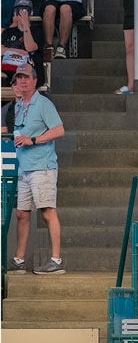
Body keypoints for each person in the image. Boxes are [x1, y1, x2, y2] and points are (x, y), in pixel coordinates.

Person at [8, 62, 65, 274]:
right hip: (25, 168)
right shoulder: (20, 105)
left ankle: (57, 260)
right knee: (22, 214)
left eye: (26, 77)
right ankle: (19, 260)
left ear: (34, 81)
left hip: (42, 167)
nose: (22, 81)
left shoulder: (43, 104)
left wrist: (33, 139)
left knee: (48, 211)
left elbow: (59, 130)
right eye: (18, 78)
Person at [1, 0, 45, 90]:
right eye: (18, 10)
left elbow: (30, 48)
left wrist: (26, 26)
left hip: (28, 70)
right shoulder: (8, 32)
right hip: (8, 68)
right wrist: (18, 50)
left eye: (25, 10)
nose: (22, 13)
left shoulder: (37, 31)